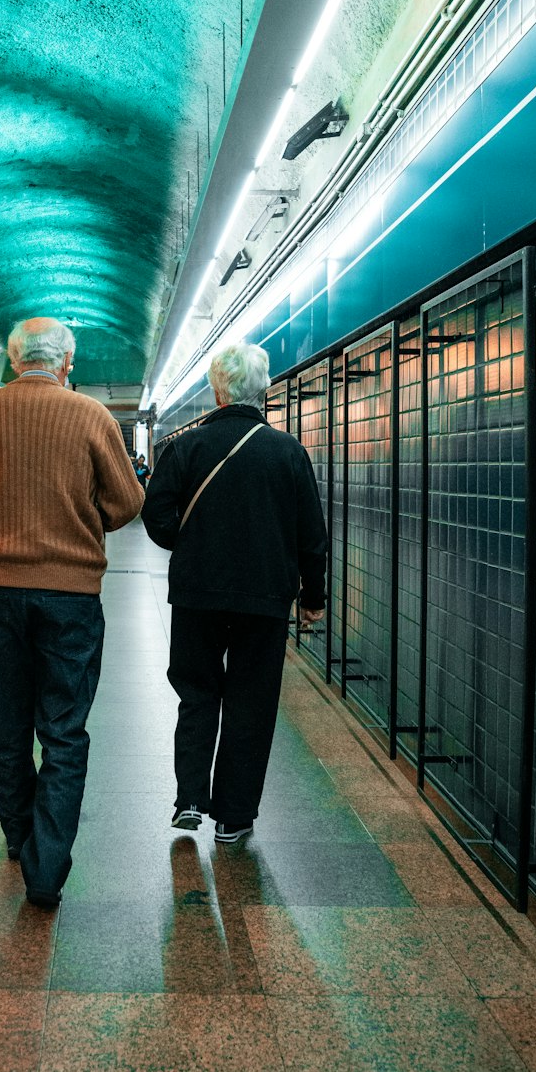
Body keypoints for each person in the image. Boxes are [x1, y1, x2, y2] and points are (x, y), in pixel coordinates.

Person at [0, 316, 144, 907]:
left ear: (11, 358)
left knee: (9, 719)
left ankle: (17, 835)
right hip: (72, 595)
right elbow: (127, 501)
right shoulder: (93, 417)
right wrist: (80, 521)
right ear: (68, 363)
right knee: (64, 729)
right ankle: (45, 870)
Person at [142, 342, 327, 844]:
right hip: (264, 600)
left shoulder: (185, 448)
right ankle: (234, 816)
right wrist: (314, 595)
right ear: (262, 390)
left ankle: (189, 800)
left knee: (197, 692)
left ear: (217, 390)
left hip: (198, 595)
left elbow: (155, 513)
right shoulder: (288, 452)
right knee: (252, 700)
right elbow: (311, 534)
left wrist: (189, 543)